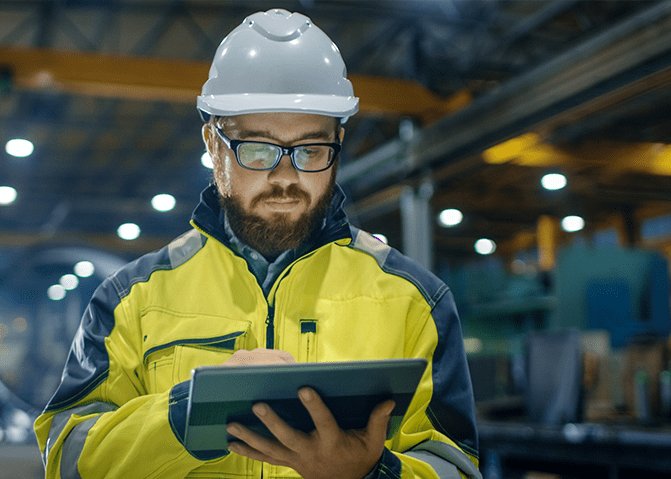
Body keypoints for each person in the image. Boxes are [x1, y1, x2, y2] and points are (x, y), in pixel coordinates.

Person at [34, 8, 480, 479]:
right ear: (212, 143)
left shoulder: (414, 301)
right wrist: (183, 417)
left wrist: (370, 473)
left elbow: (456, 466)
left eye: (311, 149)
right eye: (258, 150)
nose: (285, 177)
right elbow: (66, 459)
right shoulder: (132, 300)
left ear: (338, 142)